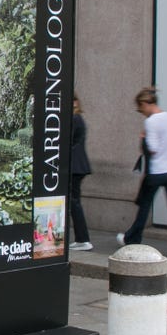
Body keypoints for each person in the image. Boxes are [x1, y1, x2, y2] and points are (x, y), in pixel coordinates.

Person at [117, 87, 167, 261]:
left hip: (158, 171)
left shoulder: (151, 122)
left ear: (145, 103)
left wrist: (143, 137)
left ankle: (132, 238)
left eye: (141, 108)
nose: (142, 112)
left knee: (144, 206)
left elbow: (152, 149)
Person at [69, 95, 93, 251]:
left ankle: (83, 239)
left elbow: (68, 140)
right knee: (74, 201)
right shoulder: (78, 118)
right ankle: (81, 238)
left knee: (74, 202)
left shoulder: (75, 119)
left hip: (75, 166)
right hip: (78, 166)